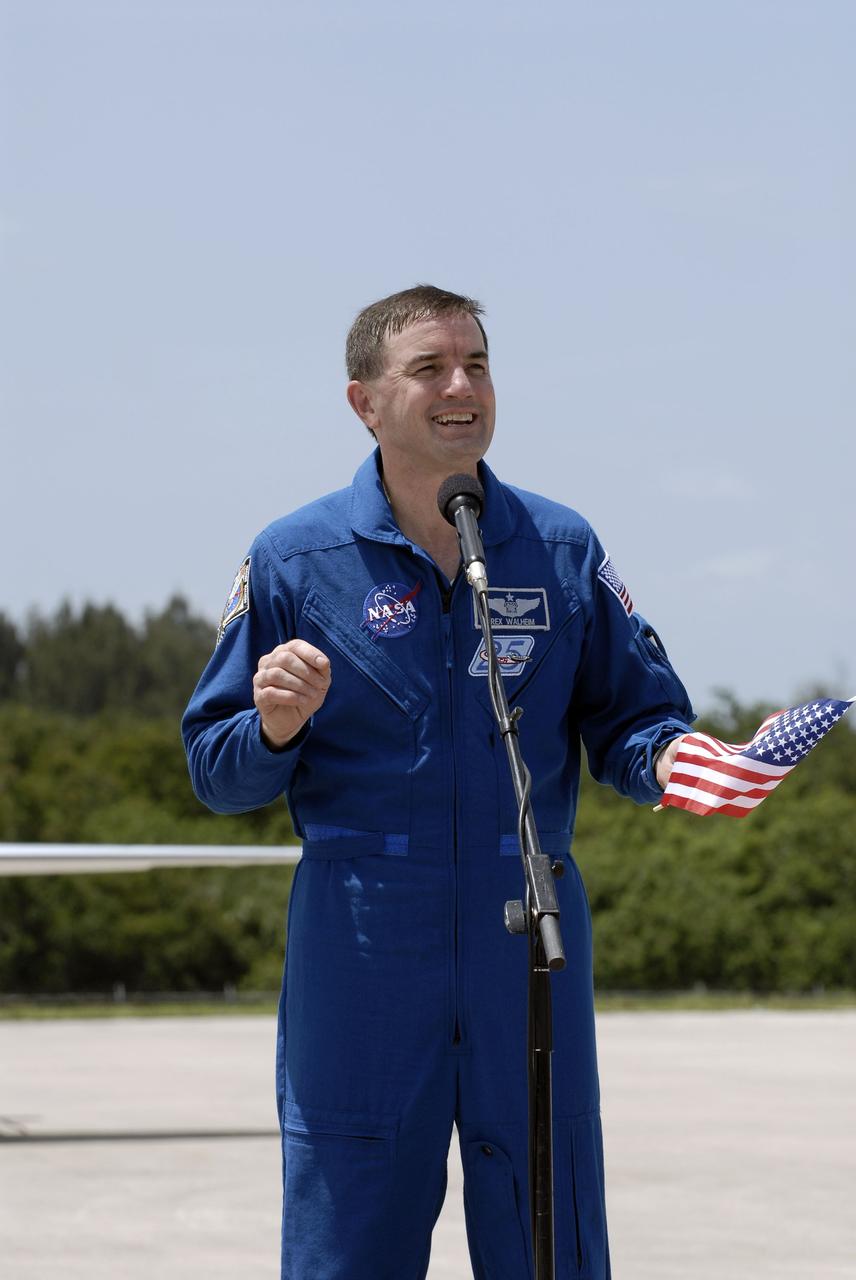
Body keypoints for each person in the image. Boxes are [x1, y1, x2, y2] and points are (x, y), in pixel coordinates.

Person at [182, 284, 693, 1280]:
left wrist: (679, 760)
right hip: (364, 936)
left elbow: (635, 723)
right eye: (429, 368)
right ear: (363, 401)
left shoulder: (560, 548)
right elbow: (216, 768)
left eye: (477, 364)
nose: (461, 386)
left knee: (550, 1225)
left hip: (530, 930)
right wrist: (274, 724)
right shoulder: (295, 556)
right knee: (350, 1228)